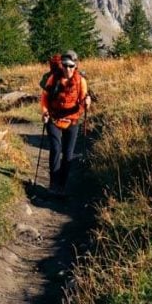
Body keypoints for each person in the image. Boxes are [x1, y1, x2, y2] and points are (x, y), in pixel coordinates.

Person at [40, 50, 90, 197]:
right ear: (61, 65)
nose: (67, 69)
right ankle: (53, 184)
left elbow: (84, 98)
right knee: (56, 149)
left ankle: (61, 185)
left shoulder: (81, 81)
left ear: (76, 66)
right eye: (65, 65)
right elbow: (44, 98)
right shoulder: (53, 79)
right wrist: (44, 112)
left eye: (71, 66)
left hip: (72, 120)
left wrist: (87, 102)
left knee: (68, 155)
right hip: (53, 118)